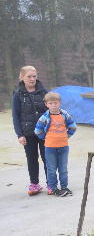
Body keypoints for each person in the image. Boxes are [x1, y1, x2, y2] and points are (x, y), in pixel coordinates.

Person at [12, 66, 49, 196]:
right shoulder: (18, 94)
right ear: (21, 77)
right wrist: (20, 134)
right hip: (28, 133)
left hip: (45, 132)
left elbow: (51, 111)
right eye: (29, 76)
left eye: (34, 76)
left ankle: (51, 183)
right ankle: (34, 184)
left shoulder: (44, 92)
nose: (32, 79)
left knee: (47, 158)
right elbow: (16, 116)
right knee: (32, 158)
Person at [34, 92, 77, 197]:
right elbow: (37, 131)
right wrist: (46, 138)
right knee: (51, 169)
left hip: (63, 147)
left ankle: (64, 187)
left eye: (55, 103)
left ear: (60, 103)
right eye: (50, 103)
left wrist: (67, 136)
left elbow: (73, 126)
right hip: (50, 148)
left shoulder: (64, 115)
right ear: (46, 104)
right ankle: (53, 188)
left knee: (63, 169)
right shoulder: (44, 117)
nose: (53, 105)